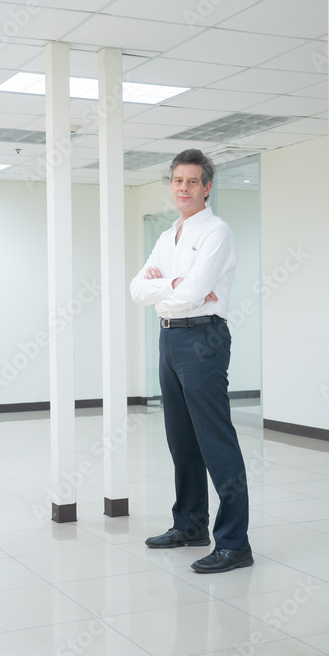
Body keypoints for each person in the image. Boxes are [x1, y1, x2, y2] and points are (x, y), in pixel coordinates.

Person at [130, 148, 252, 574]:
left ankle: (235, 543)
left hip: (203, 339)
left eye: (192, 182)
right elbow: (136, 290)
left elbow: (192, 293)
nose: (183, 188)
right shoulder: (168, 237)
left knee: (215, 442)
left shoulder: (216, 231)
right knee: (181, 440)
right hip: (169, 339)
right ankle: (190, 525)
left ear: (207, 187)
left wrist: (170, 289)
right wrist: (176, 286)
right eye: (177, 181)